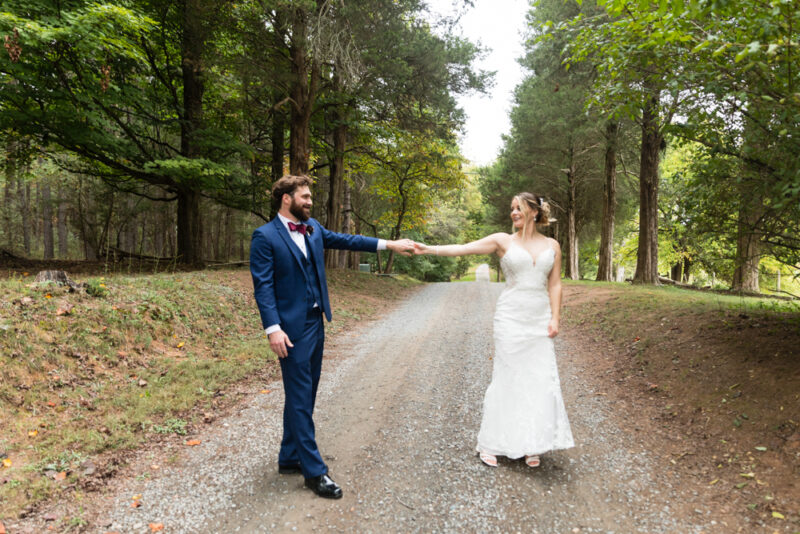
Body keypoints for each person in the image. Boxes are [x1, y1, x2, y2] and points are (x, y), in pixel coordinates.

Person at [250, 174, 414, 498]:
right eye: (305, 196)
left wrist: (389, 244)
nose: (310, 201)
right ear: (287, 198)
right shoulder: (265, 237)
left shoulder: (313, 229)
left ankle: (288, 456)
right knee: (299, 398)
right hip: (290, 330)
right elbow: (263, 286)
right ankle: (314, 472)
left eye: (310, 197)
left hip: (316, 322)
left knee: (305, 395)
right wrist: (273, 329)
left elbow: (349, 241)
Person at [414, 192, 574, 467]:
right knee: (508, 376)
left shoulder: (553, 245)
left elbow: (555, 284)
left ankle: (532, 443)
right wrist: (429, 249)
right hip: (510, 317)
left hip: (539, 318)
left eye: (519, 208)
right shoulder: (503, 240)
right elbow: (464, 248)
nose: (513, 213)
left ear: (534, 212)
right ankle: (492, 442)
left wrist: (556, 319)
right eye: (511, 208)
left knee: (537, 378)